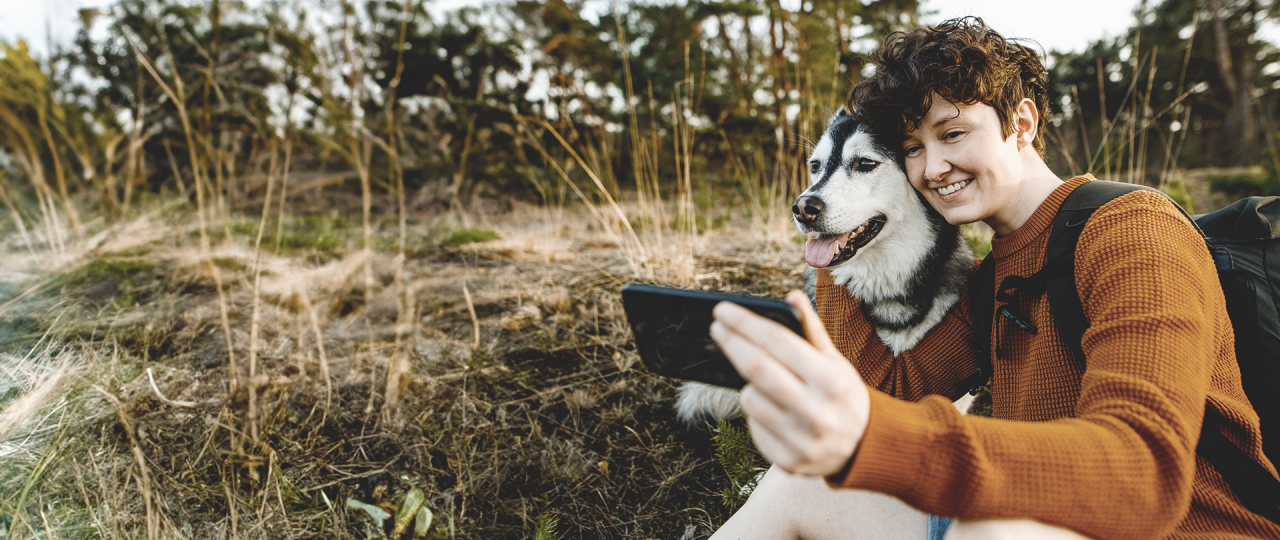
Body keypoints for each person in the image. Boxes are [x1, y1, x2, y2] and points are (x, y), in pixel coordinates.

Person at [707, 17, 1280, 540]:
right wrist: (837, 235)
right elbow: (891, 390)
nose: (932, 168)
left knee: (991, 534)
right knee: (800, 484)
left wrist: (887, 442)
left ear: (1022, 123)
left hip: (1185, 528)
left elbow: (1144, 471)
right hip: (1043, 522)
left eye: (952, 134)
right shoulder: (995, 278)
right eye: (912, 147)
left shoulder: (1133, 231)